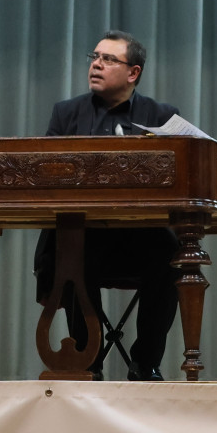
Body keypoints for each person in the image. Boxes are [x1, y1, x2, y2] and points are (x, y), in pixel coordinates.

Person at [33, 33, 181, 380]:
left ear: (133, 73)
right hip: (83, 236)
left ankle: (146, 363)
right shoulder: (66, 113)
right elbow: (46, 176)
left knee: (175, 255)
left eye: (108, 59)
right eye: (95, 57)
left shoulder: (163, 116)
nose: (96, 64)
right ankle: (88, 362)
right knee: (68, 251)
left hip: (142, 237)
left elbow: (175, 180)